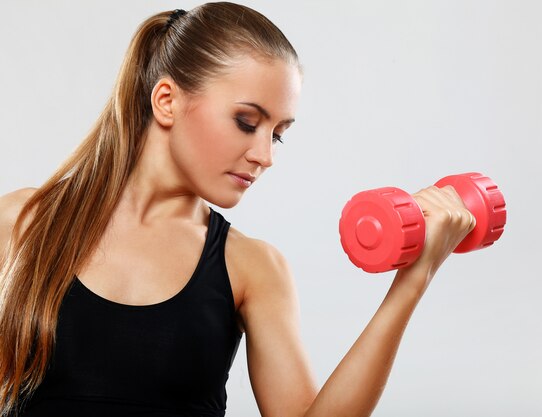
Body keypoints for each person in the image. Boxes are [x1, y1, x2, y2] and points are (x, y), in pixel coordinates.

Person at [0, 2, 475, 416]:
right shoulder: (20, 225)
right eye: (247, 122)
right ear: (166, 100)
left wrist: (415, 278)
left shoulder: (251, 267)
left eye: (278, 133)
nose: (265, 156)